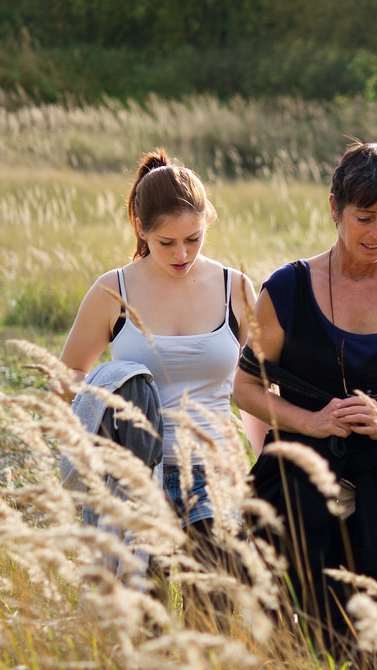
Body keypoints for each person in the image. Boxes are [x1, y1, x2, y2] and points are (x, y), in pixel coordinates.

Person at [233, 141, 377, 670]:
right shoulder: (286, 290)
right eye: (364, 218)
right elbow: (243, 387)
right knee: (293, 638)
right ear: (334, 208)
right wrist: (310, 421)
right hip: (295, 490)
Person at [60, 147, 263, 628]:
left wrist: (268, 467)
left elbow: (255, 391)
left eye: (193, 239)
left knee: (212, 626)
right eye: (166, 242)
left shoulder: (236, 287)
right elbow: (66, 384)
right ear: (140, 227)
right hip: (137, 480)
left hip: (214, 477)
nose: (182, 255)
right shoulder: (112, 291)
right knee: (143, 629)